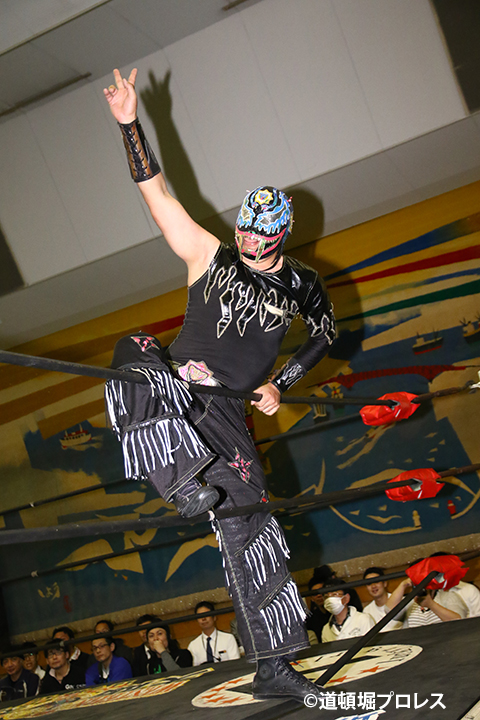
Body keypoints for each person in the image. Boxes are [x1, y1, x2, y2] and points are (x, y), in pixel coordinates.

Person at [103, 67, 335, 703]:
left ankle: (275, 666)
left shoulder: (303, 284)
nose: (247, 241)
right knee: (133, 349)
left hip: (231, 416)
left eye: (260, 236)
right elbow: (157, 194)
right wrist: (129, 124)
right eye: (243, 230)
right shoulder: (209, 254)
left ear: (280, 236)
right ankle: (179, 478)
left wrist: (282, 381)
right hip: (175, 389)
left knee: (255, 533)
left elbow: (325, 333)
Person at [385, 577, 469, 627]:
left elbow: (459, 622)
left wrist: (431, 604)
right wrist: (403, 585)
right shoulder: (410, 601)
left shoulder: (448, 596)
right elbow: (389, 611)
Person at [187, 602, 240, 666]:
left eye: (206, 615)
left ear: (214, 617)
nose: (203, 619)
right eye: (200, 616)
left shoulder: (228, 638)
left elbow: (236, 664)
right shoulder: (193, 646)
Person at [321, 579, 373, 643]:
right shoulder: (326, 629)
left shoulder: (364, 619)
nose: (330, 600)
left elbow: (371, 645)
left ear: (346, 598)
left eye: (334, 594)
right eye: (326, 597)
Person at [362, 567, 402, 632]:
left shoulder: (399, 600)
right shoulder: (367, 611)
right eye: (369, 583)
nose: (373, 586)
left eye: (376, 581)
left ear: (385, 583)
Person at [305, 576, 330, 644]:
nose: (319, 595)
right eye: (315, 593)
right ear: (312, 598)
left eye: (321, 591)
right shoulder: (311, 620)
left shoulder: (336, 613)